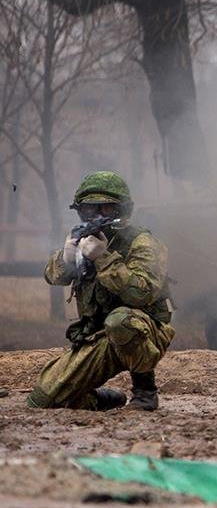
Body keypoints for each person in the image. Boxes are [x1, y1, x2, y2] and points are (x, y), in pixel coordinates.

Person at [27, 171, 174, 411]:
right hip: (99, 336)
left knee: (121, 321)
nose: (95, 215)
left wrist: (103, 258)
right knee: (42, 399)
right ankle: (105, 399)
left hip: (145, 332)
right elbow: (52, 277)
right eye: (88, 209)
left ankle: (145, 392)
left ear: (121, 209)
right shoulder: (84, 238)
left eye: (105, 209)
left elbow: (141, 293)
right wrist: (67, 258)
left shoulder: (143, 242)